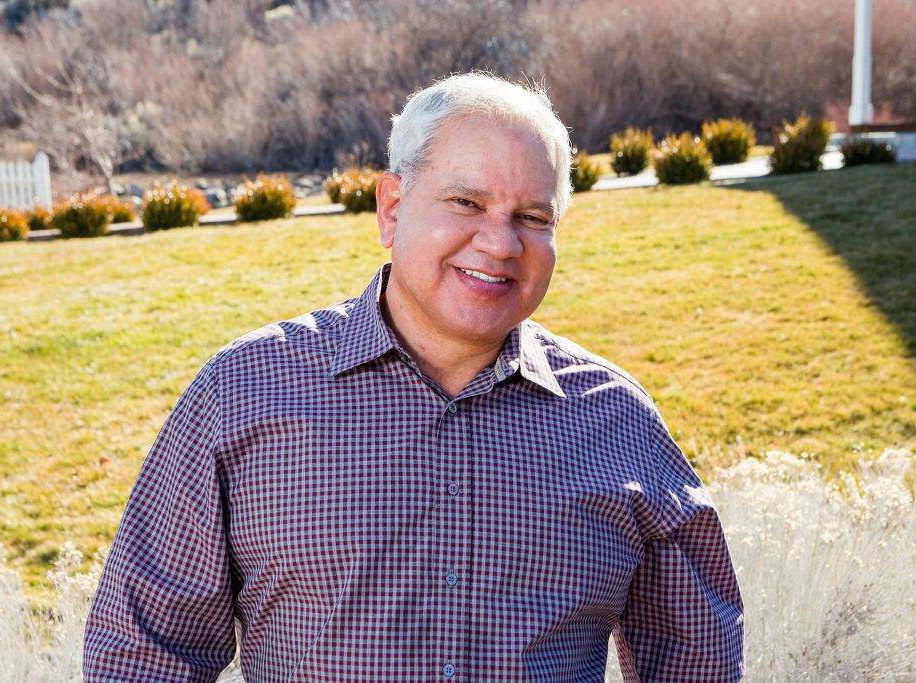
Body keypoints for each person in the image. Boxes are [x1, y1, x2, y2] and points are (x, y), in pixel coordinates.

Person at [82, 71, 745, 682]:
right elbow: (145, 653)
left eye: (532, 217)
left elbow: (698, 657)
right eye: (466, 202)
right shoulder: (244, 393)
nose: (501, 242)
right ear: (393, 207)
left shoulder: (618, 422)